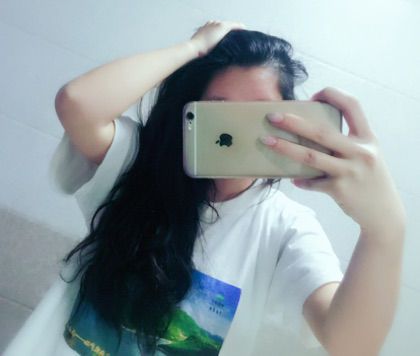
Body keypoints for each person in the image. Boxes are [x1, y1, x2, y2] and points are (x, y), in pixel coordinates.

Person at [4, 21, 406, 356]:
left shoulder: (287, 228)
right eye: (218, 110)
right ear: (190, 113)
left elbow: (352, 346)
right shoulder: (134, 164)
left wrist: (385, 231)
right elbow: (77, 103)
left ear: (289, 118)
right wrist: (193, 47)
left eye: (258, 112)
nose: (235, 130)